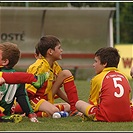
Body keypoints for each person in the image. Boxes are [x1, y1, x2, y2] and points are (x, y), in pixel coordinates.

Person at [25, 35, 81, 118]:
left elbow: (56, 88)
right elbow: (27, 93)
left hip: (46, 99)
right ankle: (27, 113)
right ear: (50, 52)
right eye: (59, 48)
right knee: (54, 111)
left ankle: (74, 109)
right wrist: (26, 109)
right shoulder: (39, 67)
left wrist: (73, 104)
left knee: (67, 106)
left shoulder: (55, 65)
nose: (61, 50)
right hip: (33, 100)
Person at [76, 47, 133, 122]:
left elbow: (93, 103)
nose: (93, 65)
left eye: (96, 62)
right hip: (128, 116)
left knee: (78, 103)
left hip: (106, 116)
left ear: (104, 63)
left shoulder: (97, 78)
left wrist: (85, 112)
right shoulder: (124, 77)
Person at [0, 42, 49, 123]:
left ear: (5, 61)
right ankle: (34, 79)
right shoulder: (18, 80)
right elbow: (22, 97)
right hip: (6, 112)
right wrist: (30, 114)